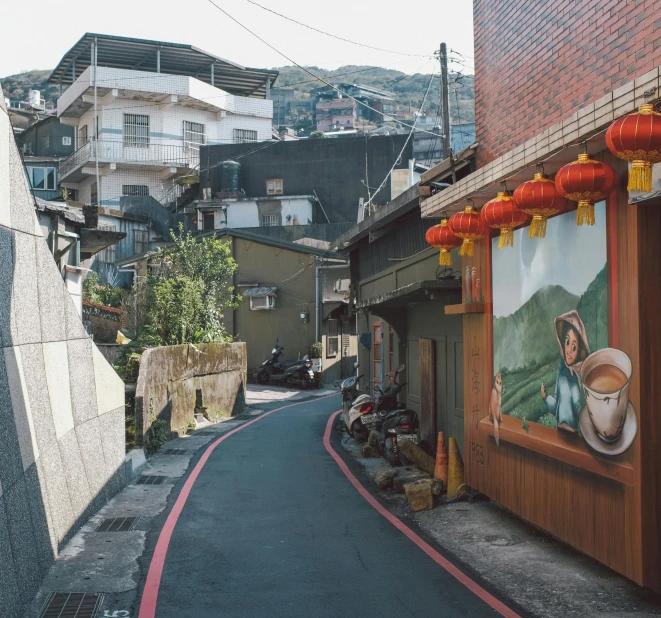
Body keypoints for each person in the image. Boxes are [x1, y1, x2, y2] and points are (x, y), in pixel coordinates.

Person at [540, 310, 590, 432]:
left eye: (574, 347)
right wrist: (546, 397)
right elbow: (557, 403)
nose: (569, 350)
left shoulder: (573, 378)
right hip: (559, 428)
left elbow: (577, 404)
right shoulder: (561, 371)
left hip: (571, 432)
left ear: (578, 352)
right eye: (567, 342)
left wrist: (587, 418)